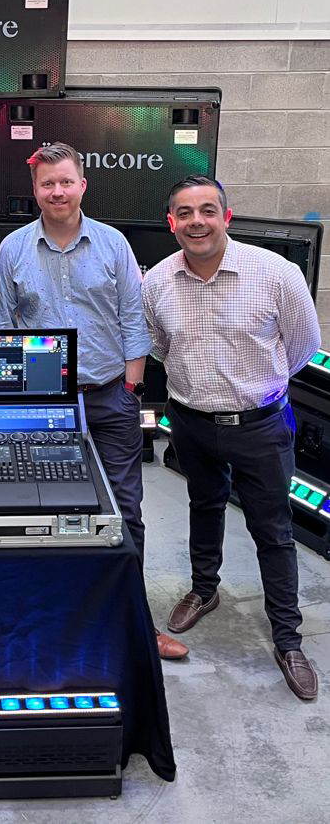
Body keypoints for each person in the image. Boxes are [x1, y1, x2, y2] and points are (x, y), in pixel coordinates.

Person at [0, 141, 187, 660]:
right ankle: (55, 621)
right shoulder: (12, 248)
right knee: (45, 514)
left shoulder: (112, 244)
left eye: (65, 181)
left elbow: (133, 318)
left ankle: (134, 623)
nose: (57, 191)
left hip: (109, 398)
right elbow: (3, 328)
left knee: (125, 513)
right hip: (43, 406)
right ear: (34, 189)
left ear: (82, 184)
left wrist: (131, 388)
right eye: (47, 183)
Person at [143, 175, 321, 699]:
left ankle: (287, 639)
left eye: (207, 210)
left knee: (273, 531)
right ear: (171, 222)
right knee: (204, 505)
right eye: (184, 213)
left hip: (260, 426)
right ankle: (205, 589)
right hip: (190, 420)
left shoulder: (276, 274)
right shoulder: (157, 281)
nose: (196, 221)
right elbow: (158, 345)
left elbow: (303, 345)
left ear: (226, 216)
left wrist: (255, 389)